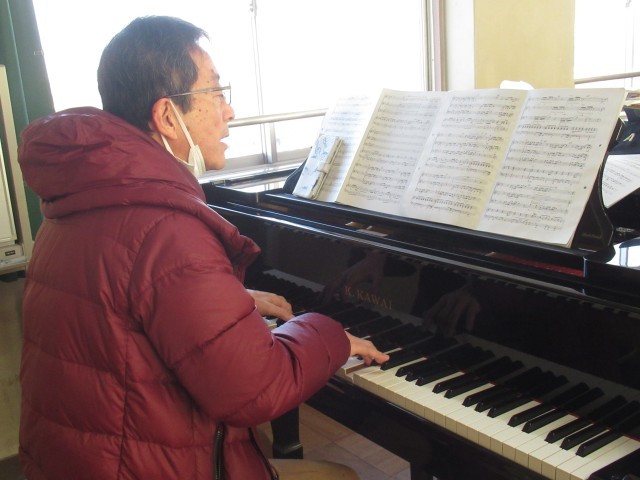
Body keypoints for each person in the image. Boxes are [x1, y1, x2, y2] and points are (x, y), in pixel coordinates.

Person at [17, 15, 388, 480]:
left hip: (83, 459)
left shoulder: (80, 201)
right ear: (167, 116)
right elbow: (256, 389)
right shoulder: (167, 228)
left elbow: (124, 301)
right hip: (151, 466)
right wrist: (329, 333)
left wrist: (226, 301)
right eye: (216, 92)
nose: (228, 111)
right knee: (342, 477)